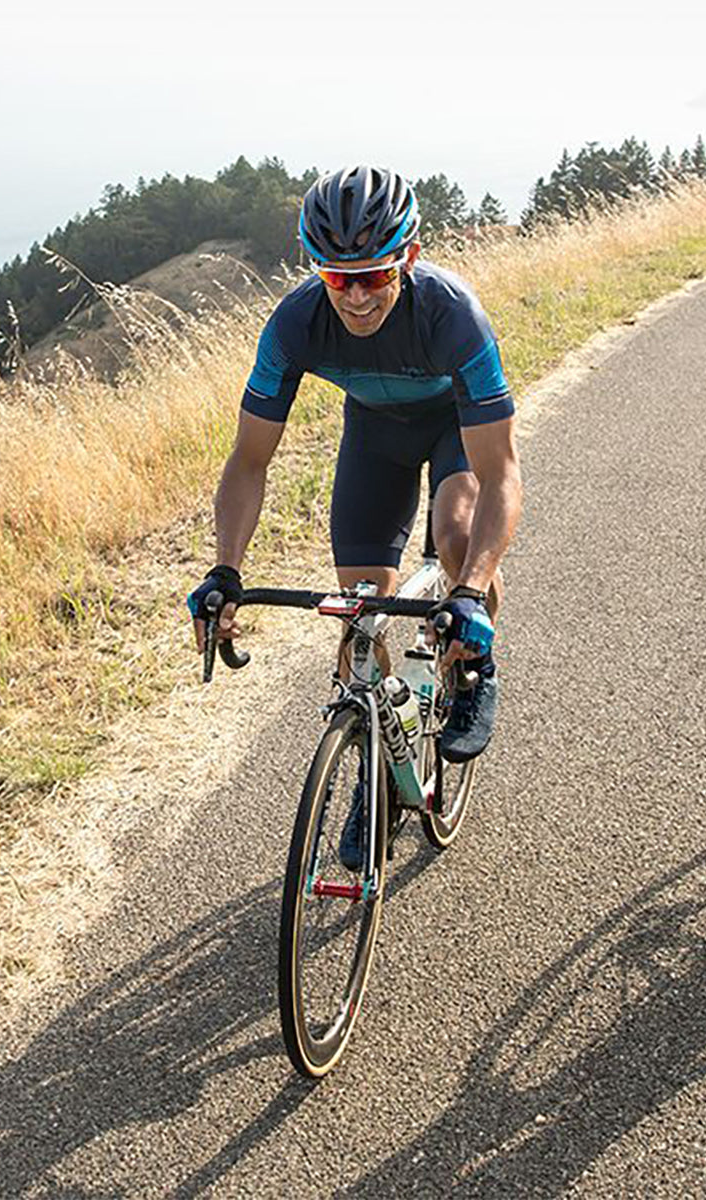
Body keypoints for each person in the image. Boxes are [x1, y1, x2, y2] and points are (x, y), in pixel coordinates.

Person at [188, 164, 522, 779]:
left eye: (372, 275)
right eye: (338, 278)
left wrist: (471, 590)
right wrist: (225, 569)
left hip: (455, 429)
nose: (356, 296)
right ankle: (378, 773)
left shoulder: (453, 317)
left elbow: (500, 474)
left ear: (409, 256)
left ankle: (477, 667)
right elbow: (248, 460)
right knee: (360, 615)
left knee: (454, 537)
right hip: (374, 437)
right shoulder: (295, 324)